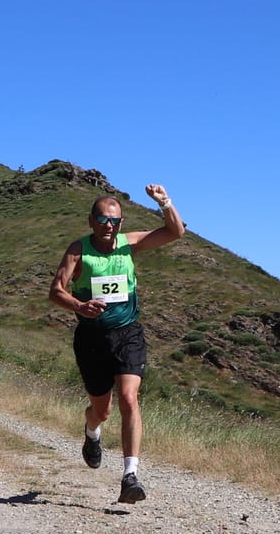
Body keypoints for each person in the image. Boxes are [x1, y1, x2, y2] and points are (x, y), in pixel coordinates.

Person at [48, 184, 185, 503]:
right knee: (103, 411)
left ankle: (130, 476)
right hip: (92, 338)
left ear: (121, 224)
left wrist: (164, 202)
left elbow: (175, 232)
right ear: (91, 221)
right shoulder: (78, 250)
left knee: (128, 398)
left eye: (115, 221)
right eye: (103, 219)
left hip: (127, 333)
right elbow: (55, 291)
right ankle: (91, 431)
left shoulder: (129, 243)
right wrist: (80, 307)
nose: (109, 226)